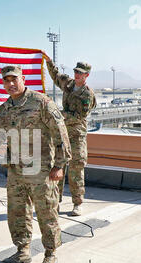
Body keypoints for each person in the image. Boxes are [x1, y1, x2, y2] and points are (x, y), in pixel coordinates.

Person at [0, 65, 71, 263]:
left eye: (14, 79)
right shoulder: (5, 108)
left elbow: (60, 134)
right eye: (6, 81)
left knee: (46, 210)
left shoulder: (41, 102)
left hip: (41, 168)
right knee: (17, 211)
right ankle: (22, 249)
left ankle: (50, 252)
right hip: (15, 169)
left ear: (23, 78)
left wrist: (60, 165)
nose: (10, 84)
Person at [42, 52, 97, 216]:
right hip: (62, 133)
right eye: (76, 71)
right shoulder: (69, 84)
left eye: (80, 73)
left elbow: (79, 116)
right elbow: (56, 76)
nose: (77, 74)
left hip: (76, 134)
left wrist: (59, 115)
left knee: (76, 169)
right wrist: (49, 62)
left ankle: (77, 203)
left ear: (87, 75)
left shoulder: (87, 94)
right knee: (58, 167)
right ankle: (55, 202)